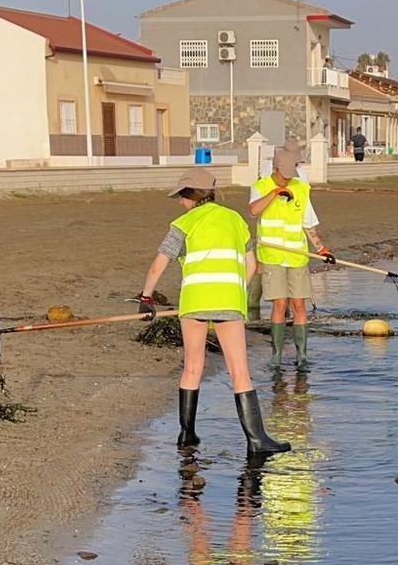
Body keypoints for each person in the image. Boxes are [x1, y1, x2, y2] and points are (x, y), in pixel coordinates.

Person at [139, 170, 289, 459]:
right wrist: (234, 288)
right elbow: (252, 266)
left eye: (181, 196)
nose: (180, 202)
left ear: (189, 195)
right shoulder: (235, 220)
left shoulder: (183, 224)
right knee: (239, 371)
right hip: (228, 302)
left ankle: (187, 434)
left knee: (192, 366)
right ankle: (256, 440)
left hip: (193, 301)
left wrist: (146, 298)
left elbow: (159, 264)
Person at [249, 143, 335, 372]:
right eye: (283, 177)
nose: (286, 181)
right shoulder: (260, 186)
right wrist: (275, 193)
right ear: (275, 169)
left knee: (298, 304)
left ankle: (302, 354)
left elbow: (308, 224)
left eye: (289, 177)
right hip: (272, 257)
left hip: (297, 257)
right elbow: (254, 210)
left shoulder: (301, 188)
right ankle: (276, 354)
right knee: (279, 304)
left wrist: (321, 249)